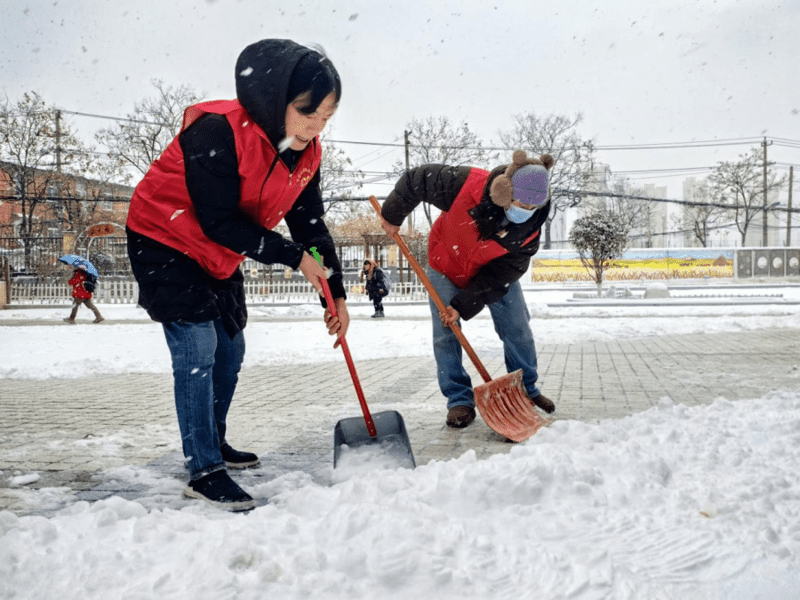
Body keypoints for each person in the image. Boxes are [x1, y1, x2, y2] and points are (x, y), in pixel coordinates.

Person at [125, 39, 349, 512]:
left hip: (219, 251)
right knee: (197, 348)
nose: (316, 127)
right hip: (163, 237)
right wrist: (295, 258)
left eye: (326, 117)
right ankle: (204, 469)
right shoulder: (218, 130)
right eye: (307, 112)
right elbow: (218, 220)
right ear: (274, 99)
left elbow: (310, 225)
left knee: (231, 348)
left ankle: (213, 440)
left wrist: (336, 294)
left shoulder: (307, 154)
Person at [377, 150, 557, 428]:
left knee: (517, 327)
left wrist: (462, 306)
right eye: (522, 203)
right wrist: (392, 215)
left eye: (533, 206)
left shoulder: (531, 229)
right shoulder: (465, 184)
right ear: (505, 190)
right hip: (445, 263)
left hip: (492, 274)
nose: (526, 211)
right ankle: (458, 400)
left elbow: (501, 276)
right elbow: (418, 179)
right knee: (446, 333)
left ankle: (526, 391)